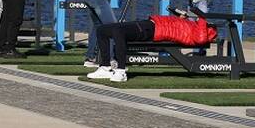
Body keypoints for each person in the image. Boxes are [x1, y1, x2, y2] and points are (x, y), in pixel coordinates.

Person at [87, 14, 216, 82]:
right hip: (151, 22)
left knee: (118, 31)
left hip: (153, 30)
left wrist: (202, 18)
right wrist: (182, 17)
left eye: (205, 26)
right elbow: (177, 26)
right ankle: (105, 67)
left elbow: (200, 38)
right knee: (102, 30)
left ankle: (121, 71)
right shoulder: (193, 26)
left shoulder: (199, 34)